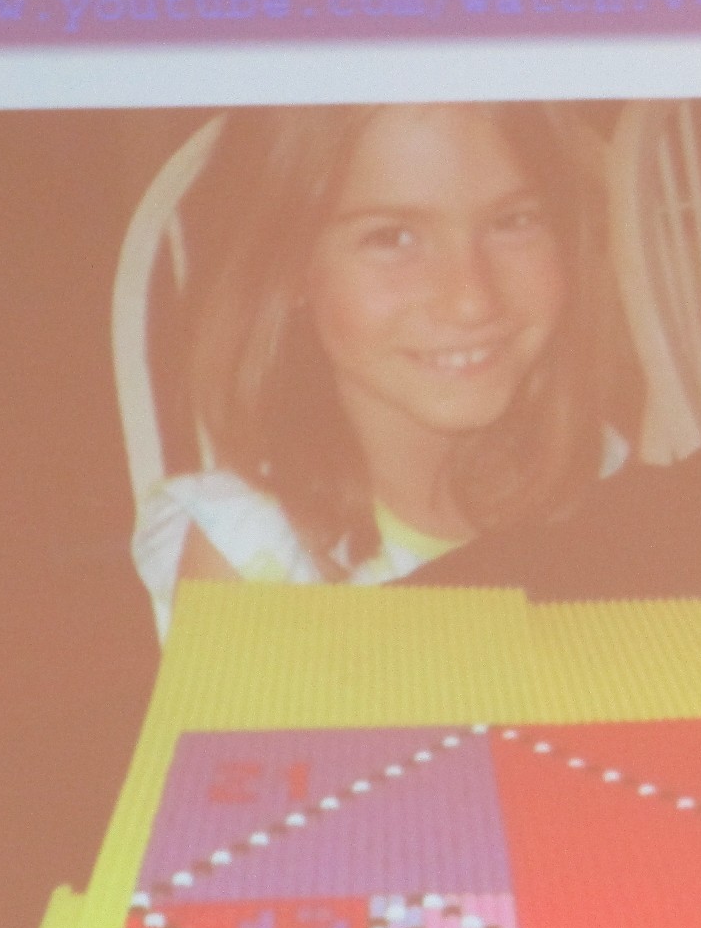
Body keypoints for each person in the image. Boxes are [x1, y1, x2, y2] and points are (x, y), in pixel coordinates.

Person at [132, 102, 628, 631]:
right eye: (392, 237)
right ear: (288, 266)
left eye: (513, 221)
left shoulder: (594, 472)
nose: (471, 301)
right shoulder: (253, 558)